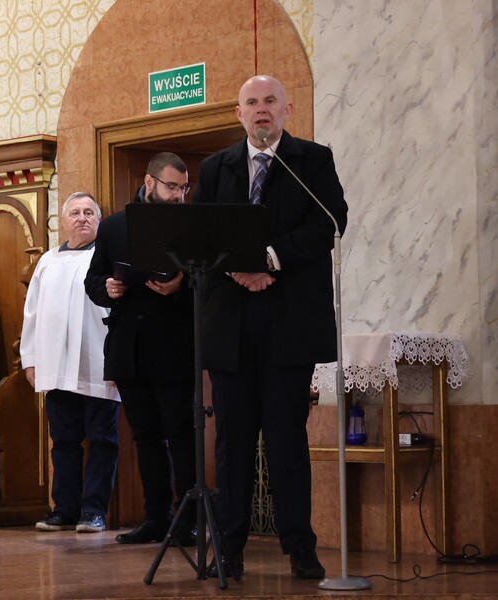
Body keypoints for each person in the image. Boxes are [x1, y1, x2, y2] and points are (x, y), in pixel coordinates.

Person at [192, 75, 348, 580]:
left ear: (287, 109)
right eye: (251, 103)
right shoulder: (217, 167)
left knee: (287, 443)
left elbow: (329, 222)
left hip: (288, 324)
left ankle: (300, 547)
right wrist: (238, 266)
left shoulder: (311, 161)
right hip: (231, 324)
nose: (261, 110)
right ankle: (230, 547)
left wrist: (271, 260)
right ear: (239, 114)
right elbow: (201, 231)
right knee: (232, 444)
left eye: (270, 102)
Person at [84, 152, 197, 546]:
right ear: (149, 183)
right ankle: (156, 518)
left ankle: (187, 520)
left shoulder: (189, 224)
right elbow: (93, 279)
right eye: (171, 186)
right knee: (146, 438)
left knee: (181, 435)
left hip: (175, 345)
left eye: (183, 188)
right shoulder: (114, 226)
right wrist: (108, 289)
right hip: (130, 346)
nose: (179, 195)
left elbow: (208, 278)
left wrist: (182, 285)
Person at [22, 192, 120, 534]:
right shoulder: (48, 261)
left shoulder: (108, 259)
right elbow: (31, 313)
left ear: (99, 219)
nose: (82, 218)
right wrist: (30, 360)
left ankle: (94, 510)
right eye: (75, 212)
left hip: (99, 365)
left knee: (102, 439)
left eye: (90, 212)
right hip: (56, 366)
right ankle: (63, 508)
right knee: (62, 441)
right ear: (64, 221)